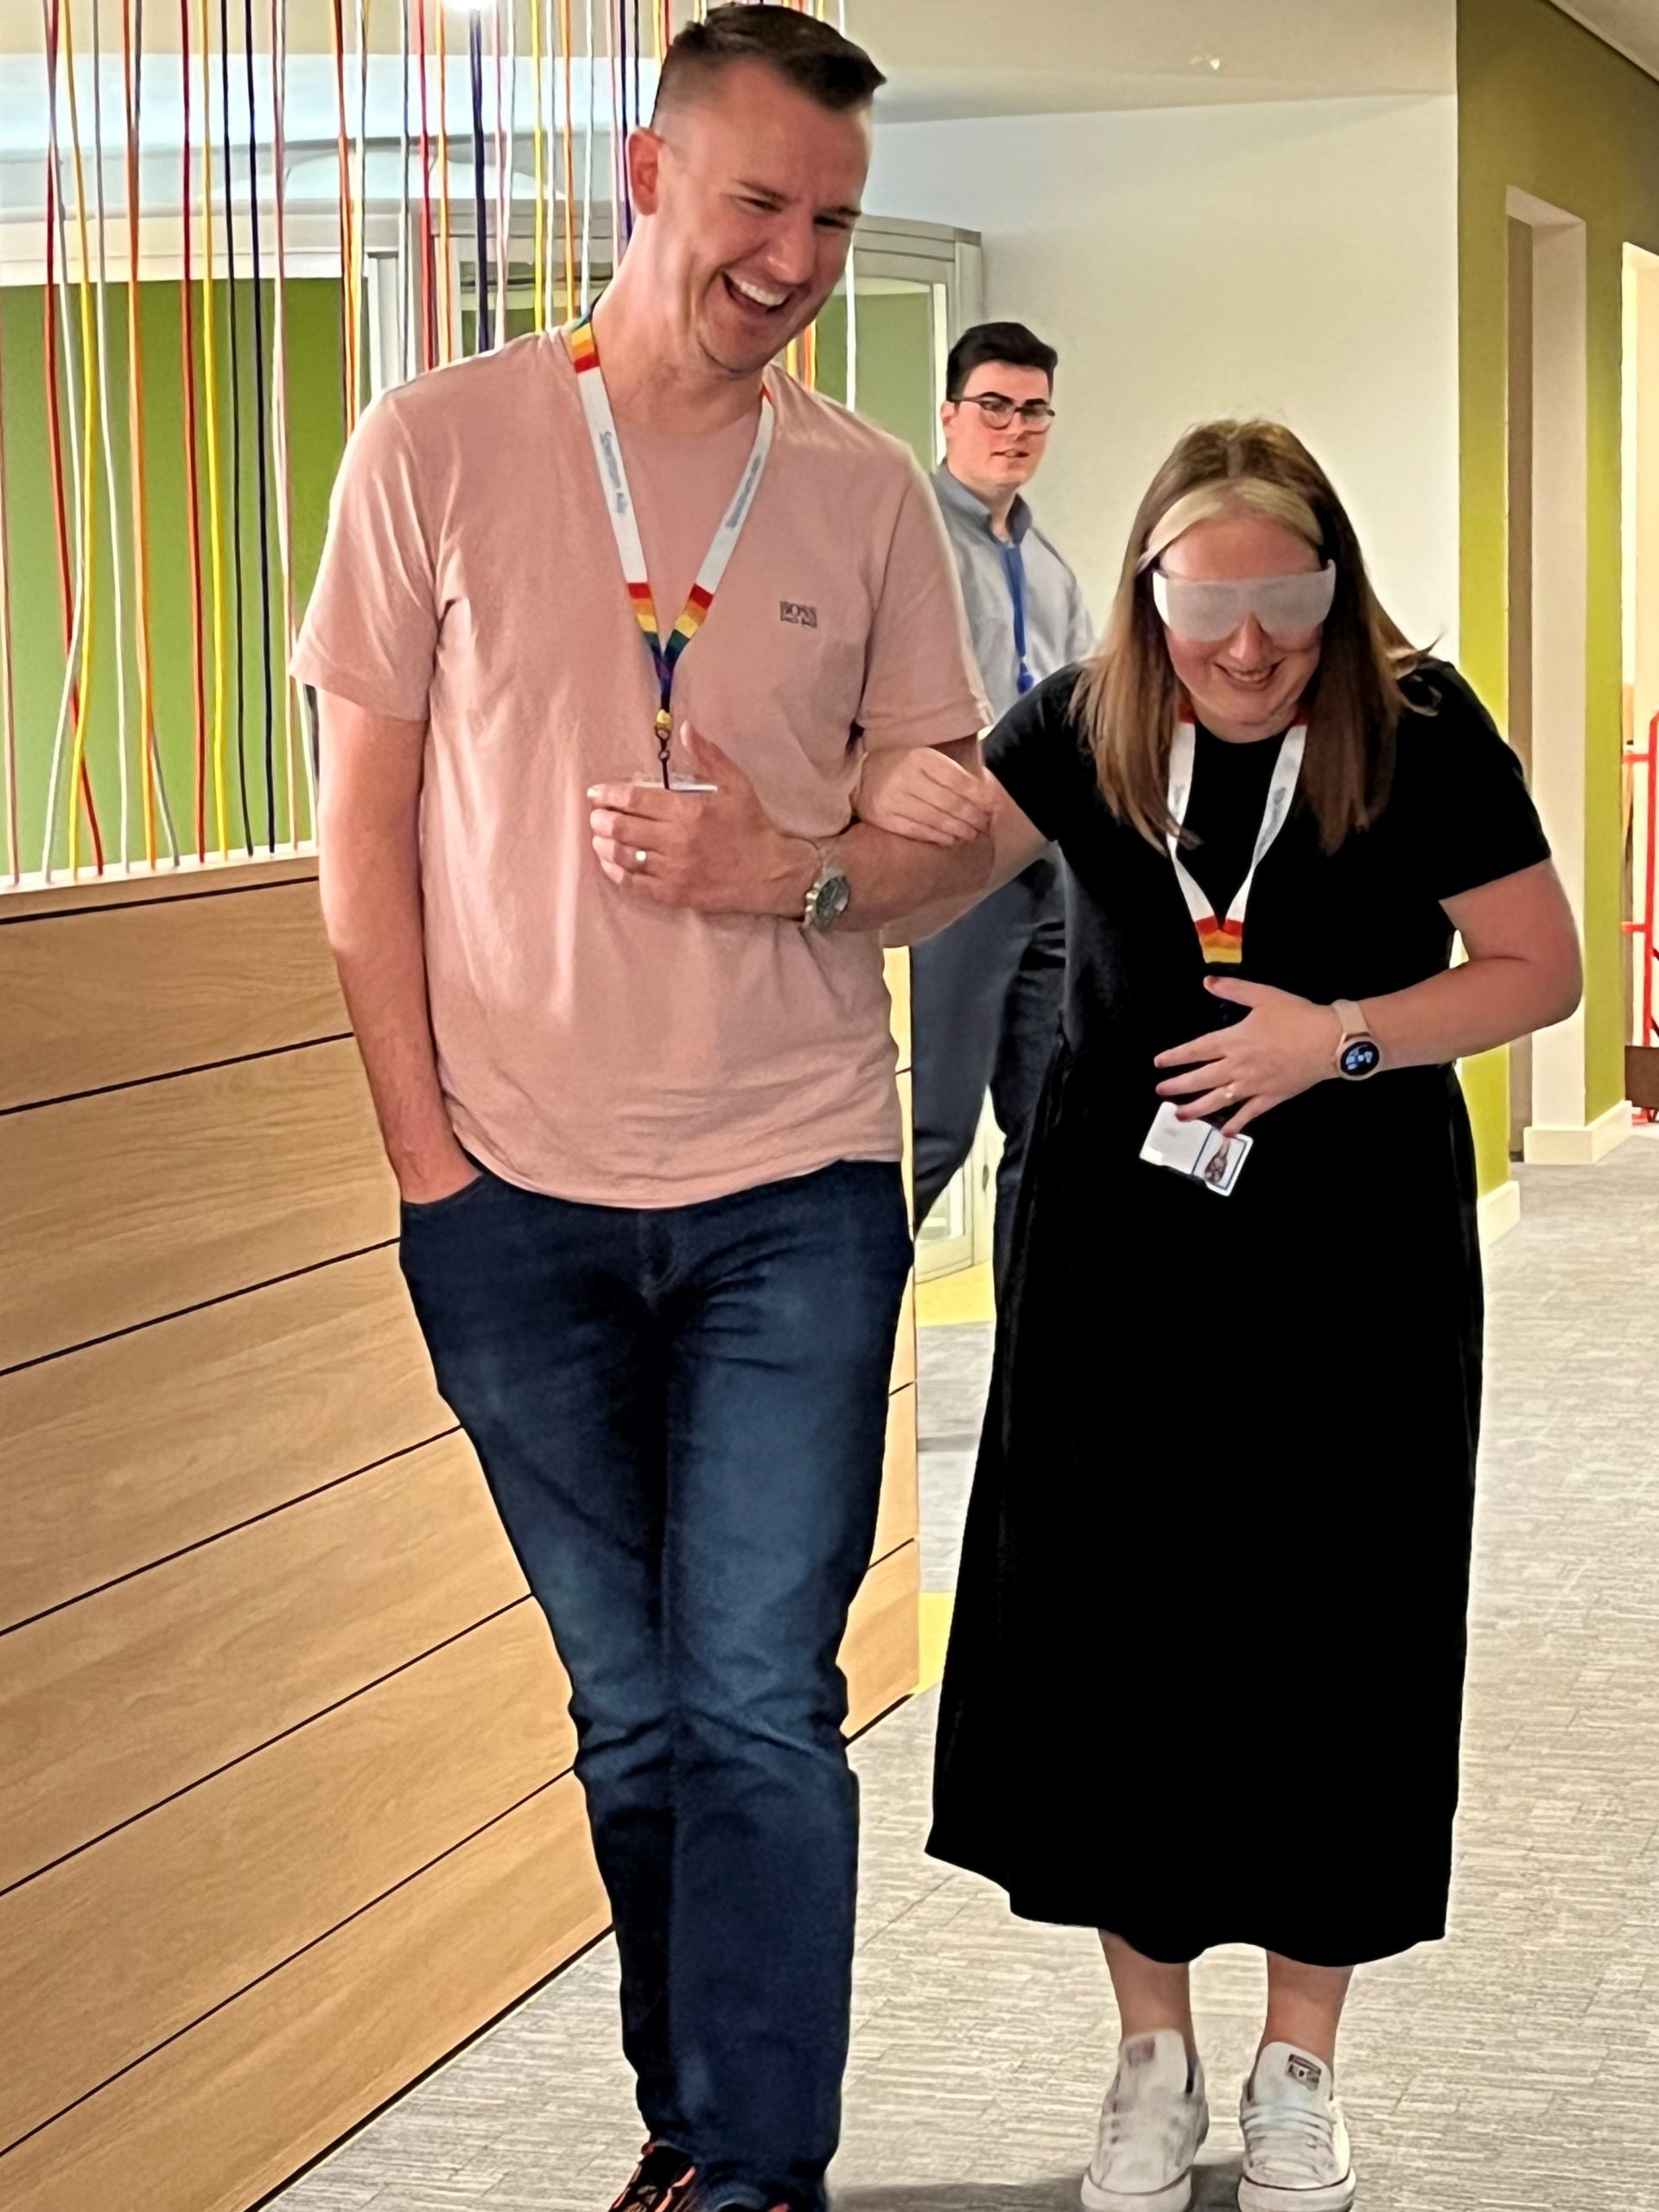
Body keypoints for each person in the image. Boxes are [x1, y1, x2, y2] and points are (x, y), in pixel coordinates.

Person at [293, 11, 990, 2210]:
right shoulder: (436, 443)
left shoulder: (870, 490)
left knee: (763, 1697)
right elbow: (362, 836)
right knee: (636, 1707)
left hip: (791, 1176)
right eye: (762, 200)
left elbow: (947, 835)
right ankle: (694, 2129)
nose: (795, 253)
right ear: (646, 175)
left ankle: (754, 2167)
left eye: (835, 219)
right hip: (511, 1193)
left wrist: (791, 857)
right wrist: (430, 1164)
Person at [859, 420, 1580, 2212]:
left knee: (1340, 1621)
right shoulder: (1080, 717)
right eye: (1206, 603)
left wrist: (1327, 1032)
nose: (1247, 646)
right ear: (1149, 593)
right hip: (1125, 1251)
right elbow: (919, 878)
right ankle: (1152, 2053)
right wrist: (799, 850)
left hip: (1359, 1257)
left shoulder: (1418, 727)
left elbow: (1540, 968)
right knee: (1120, 1627)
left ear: (1333, 588)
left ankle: (1300, 2066)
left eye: (1287, 599)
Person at [913, 321, 1094, 1285]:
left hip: (1054, 877)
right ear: (949, 415)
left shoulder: (1051, 564)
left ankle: (1029, 1372)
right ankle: (872, 1374)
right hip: (956, 872)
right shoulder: (910, 541)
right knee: (929, 1131)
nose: (1013, 427)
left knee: (1050, 1129)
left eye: (1033, 410)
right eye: (993, 405)